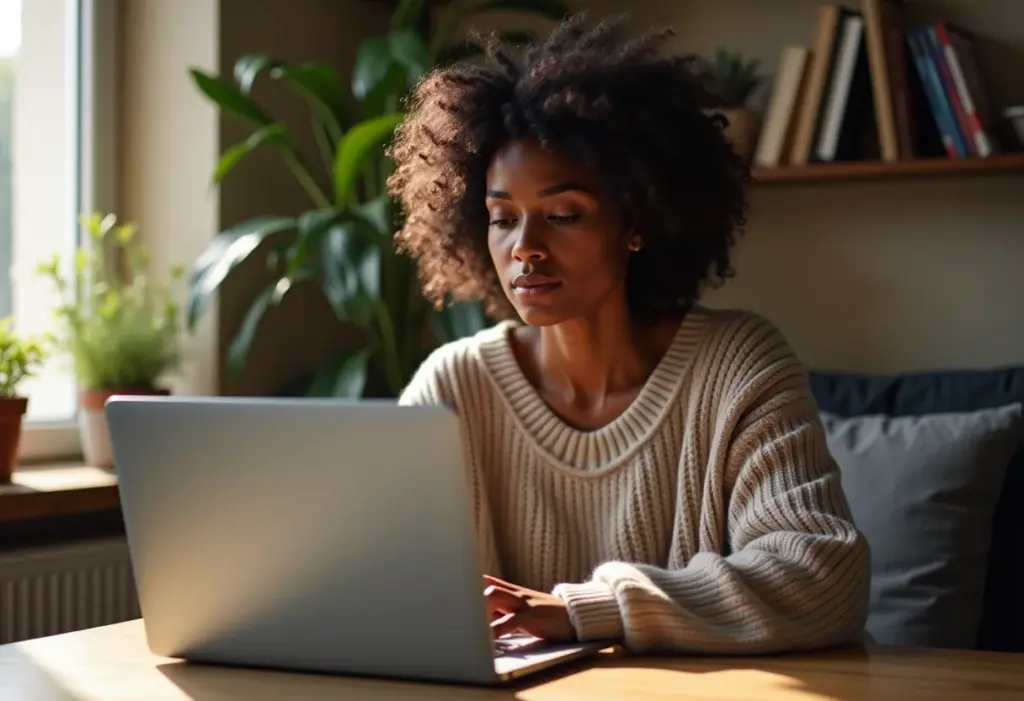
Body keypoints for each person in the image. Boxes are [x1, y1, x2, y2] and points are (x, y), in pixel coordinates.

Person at [386, 14, 870, 655]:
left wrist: (585, 609)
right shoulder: (452, 385)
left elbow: (824, 577)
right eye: (503, 218)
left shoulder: (737, 367)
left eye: (562, 215)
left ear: (635, 221)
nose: (525, 248)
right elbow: (382, 585)